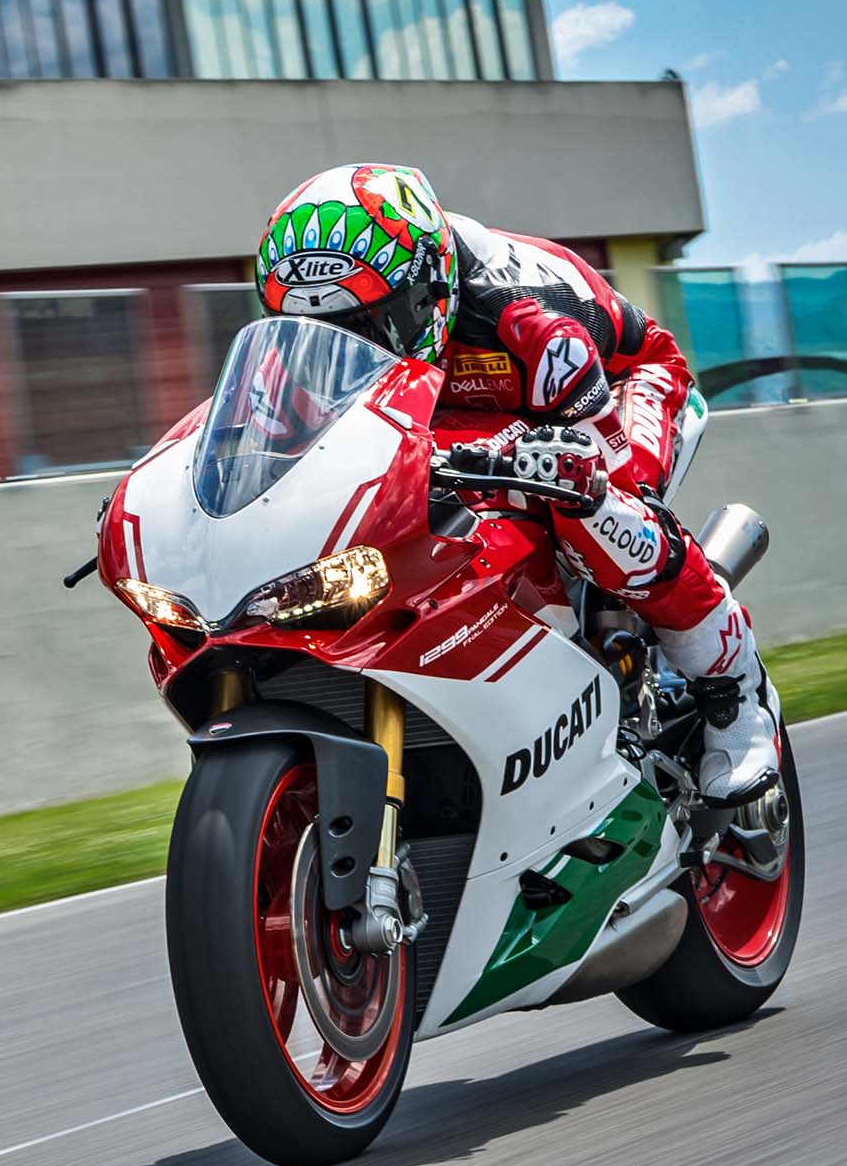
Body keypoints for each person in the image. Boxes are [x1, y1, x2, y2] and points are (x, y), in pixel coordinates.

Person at [250, 163, 781, 801]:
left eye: (370, 324)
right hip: (453, 410)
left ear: (426, 290)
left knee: (591, 504)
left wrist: (550, 468)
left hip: (612, 383)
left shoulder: (527, 314)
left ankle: (735, 692)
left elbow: (599, 457)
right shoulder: (293, 353)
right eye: (323, 332)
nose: (345, 346)